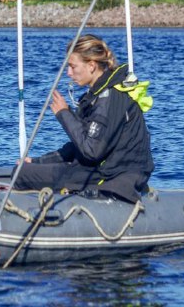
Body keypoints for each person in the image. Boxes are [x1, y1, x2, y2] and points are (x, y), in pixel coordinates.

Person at [14, 34, 154, 203]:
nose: (68, 73)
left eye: (73, 67)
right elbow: (78, 146)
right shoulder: (99, 94)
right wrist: (38, 161)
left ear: (91, 66)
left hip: (111, 177)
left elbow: (91, 150)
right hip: (102, 169)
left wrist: (64, 114)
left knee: (20, 174)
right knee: (25, 168)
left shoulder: (108, 98)